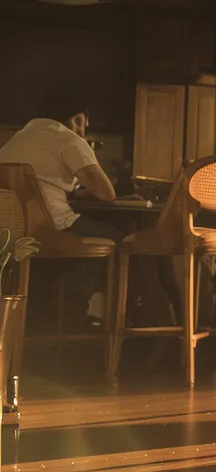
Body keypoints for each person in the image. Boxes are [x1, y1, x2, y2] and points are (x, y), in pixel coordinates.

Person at [0, 92, 126, 327]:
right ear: (73, 118)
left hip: (13, 236)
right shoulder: (68, 139)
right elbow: (107, 194)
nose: (81, 131)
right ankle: (77, 305)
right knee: (115, 236)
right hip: (50, 229)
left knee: (71, 242)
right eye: (81, 123)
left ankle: (47, 310)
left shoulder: (17, 137)